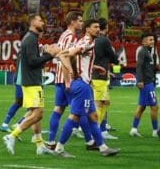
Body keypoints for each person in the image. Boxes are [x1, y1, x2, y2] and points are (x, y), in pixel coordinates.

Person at [51, 17, 120, 158]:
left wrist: (95, 67)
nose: (98, 29)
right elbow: (64, 55)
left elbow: (78, 58)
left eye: (98, 27)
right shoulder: (87, 42)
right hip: (82, 85)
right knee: (74, 117)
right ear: (87, 29)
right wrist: (69, 74)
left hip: (84, 84)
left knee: (93, 116)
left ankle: (102, 147)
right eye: (95, 27)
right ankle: (59, 148)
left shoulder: (83, 41)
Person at [2, 14, 61, 156]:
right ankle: (12, 135)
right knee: (38, 113)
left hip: (31, 80)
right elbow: (33, 62)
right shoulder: (30, 39)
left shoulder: (31, 38)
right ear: (33, 22)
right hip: (32, 82)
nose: (43, 22)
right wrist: (50, 55)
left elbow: (32, 59)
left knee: (34, 113)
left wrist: (45, 53)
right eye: (40, 20)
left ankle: (40, 145)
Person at [46, 11, 83, 147]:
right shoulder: (72, 37)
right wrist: (68, 81)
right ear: (73, 22)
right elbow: (64, 58)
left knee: (58, 109)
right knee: (79, 111)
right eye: (80, 20)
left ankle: (50, 140)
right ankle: (92, 141)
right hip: (67, 77)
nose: (82, 23)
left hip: (59, 77)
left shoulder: (63, 35)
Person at [91, 18, 119, 141]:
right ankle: (94, 129)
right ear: (106, 28)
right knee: (99, 103)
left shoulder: (95, 40)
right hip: (99, 77)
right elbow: (113, 57)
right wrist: (115, 59)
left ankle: (97, 128)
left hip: (99, 75)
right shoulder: (104, 40)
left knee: (105, 102)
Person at [130, 31, 160, 138]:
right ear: (144, 41)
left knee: (141, 107)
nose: (153, 41)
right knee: (155, 107)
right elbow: (139, 66)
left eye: (153, 39)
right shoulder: (143, 51)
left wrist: (156, 68)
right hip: (146, 83)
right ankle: (156, 131)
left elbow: (148, 67)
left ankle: (133, 129)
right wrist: (139, 81)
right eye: (150, 39)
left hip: (148, 82)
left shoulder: (149, 52)